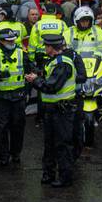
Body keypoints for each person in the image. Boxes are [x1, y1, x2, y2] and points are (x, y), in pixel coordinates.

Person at [34, 33, 77, 187]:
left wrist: (35, 80)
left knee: (63, 144)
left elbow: (52, 86)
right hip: (52, 110)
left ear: (51, 48)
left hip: (62, 111)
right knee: (49, 144)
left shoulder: (62, 63)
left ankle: (65, 178)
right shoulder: (53, 61)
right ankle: (48, 174)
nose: (45, 48)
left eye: (46, 46)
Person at [0, 25, 28, 168]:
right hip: (1, 97)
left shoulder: (22, 53)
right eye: (8, 41)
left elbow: (31, 71)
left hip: (18, 96)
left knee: (18, 127)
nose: (12, 43)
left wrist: (26, 92)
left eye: (13, 40)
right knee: (1, 128)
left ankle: (16, 153)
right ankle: (3, 156)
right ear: (1, 41)